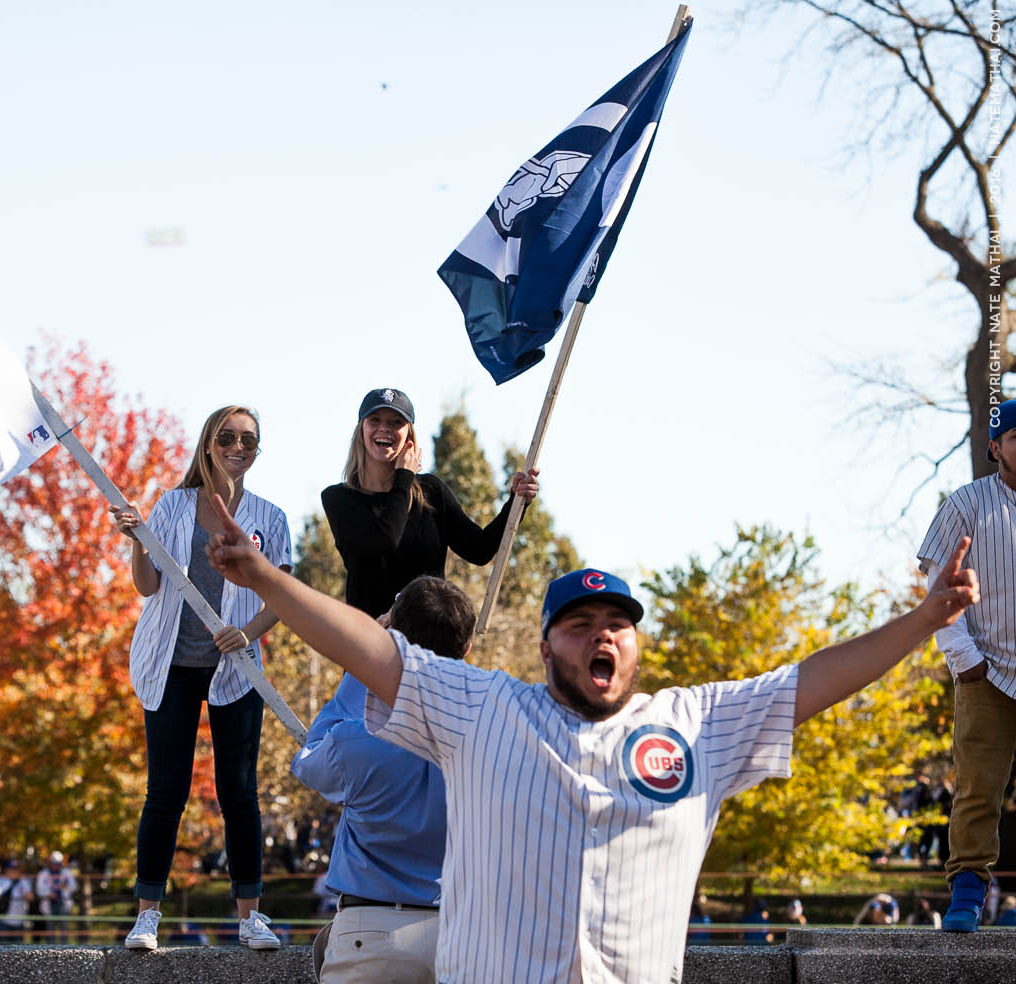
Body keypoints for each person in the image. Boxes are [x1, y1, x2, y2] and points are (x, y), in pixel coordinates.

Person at [201, 492, 979, 982]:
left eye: (616, 627)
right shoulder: (481, 708)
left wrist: (924, 620)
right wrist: (264, 579)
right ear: (546, 646)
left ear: (635, 648)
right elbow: (370, 649)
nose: (600, 637)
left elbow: (814, 680)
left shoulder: (696, 725)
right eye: (579, 626)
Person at [109, 405, 291, 952]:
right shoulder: (172, 505)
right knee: (166, 791)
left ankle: (250, 917)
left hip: (235, 669)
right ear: (208, 443)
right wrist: (137, 539)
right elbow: (146, 586)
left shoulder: (269, 517)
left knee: (239, 792)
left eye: (250, 440)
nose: (239, 446)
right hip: (172, 665)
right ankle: (147, 916)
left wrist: (248, 632)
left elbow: (281, 593)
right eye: (228, 437)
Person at [292, 576, 472, 983]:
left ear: (393, 642)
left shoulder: (358, 739)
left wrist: (363, 667)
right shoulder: (491, 737)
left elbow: (308, 760)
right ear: (467, 648)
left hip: (370, 933)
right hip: (463, 934)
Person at [916, 398, 1016, 932]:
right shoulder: (966, 504)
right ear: (996, 446)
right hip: (989, 671)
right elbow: (937, 588)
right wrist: (965, 659)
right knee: (979, 786)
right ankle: (969, 888)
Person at [320, 388, 538, 618]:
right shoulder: (339, 498)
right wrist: (404, 478)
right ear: (361, 430)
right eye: (375, 420)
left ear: (409, 436)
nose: (384, 428)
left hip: (429, 637)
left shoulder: (432, 491)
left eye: (396, 422)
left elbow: (480, 550)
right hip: (371, 640)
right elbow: (382, 541)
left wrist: (516, 502)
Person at [35, 851, 77, 943]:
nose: (56, 866)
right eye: (54, 864)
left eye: (57, 864)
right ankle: (50, 952)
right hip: (49, 904)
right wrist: (49, 894)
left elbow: (74, 887)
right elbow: (39, 890)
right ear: (50, 863)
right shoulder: (43, 873)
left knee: (64, 930)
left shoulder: (67, 872)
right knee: (50, 930)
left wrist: (66, 887)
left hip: (63, 904)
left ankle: (65, 952)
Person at [0, 858, 33, 942]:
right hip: (3, 921)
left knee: (18, 951)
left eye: (16, 869)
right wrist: (8, 885)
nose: (14, 871)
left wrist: (23, 889)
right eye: (11, 869)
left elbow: (30, 897)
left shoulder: (24, 881)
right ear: (6, 870)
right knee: (2, 949)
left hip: (19, 922)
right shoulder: (1, 880)